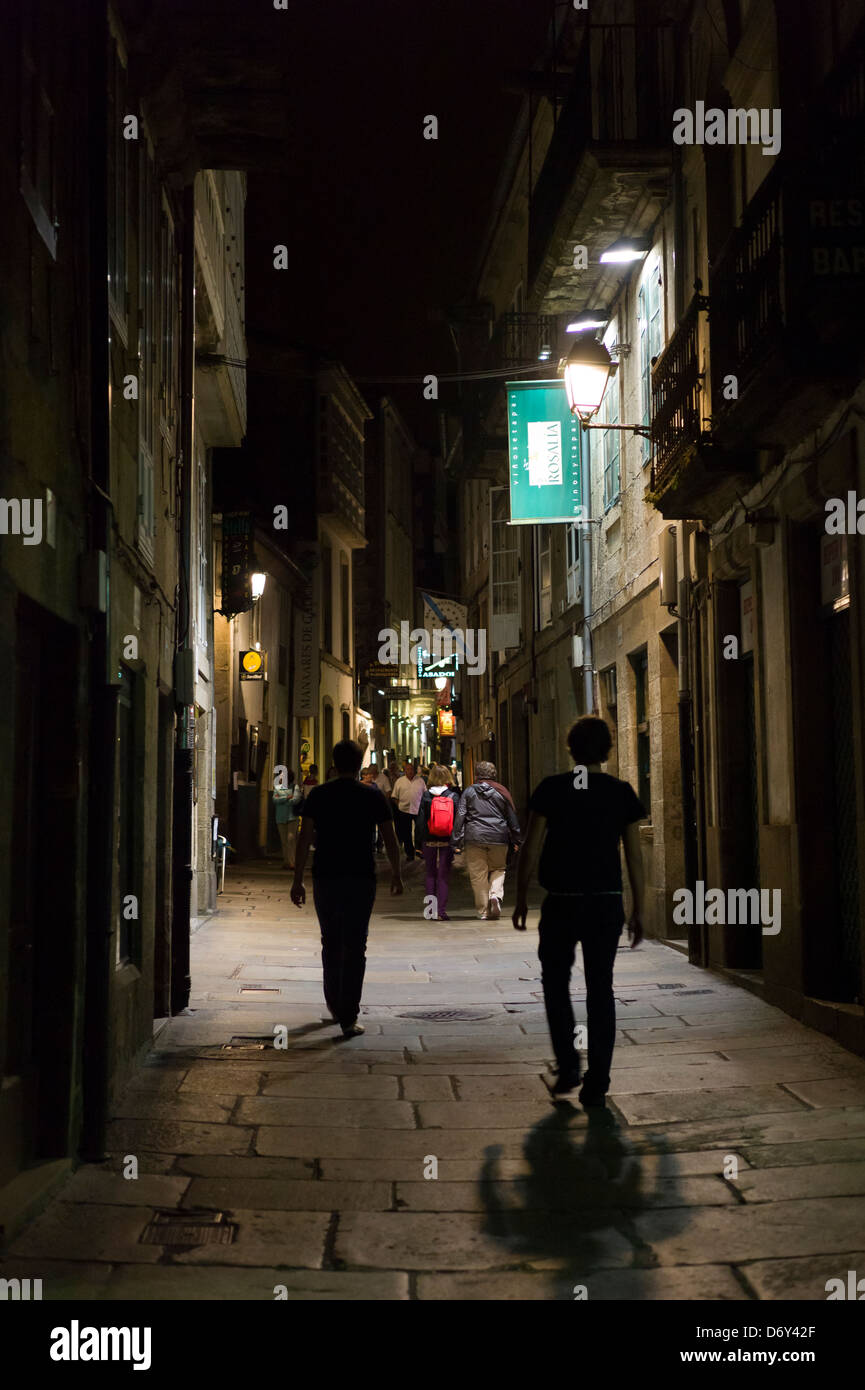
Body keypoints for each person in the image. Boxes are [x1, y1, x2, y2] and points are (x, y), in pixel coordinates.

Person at [513, 716, 646, 1106]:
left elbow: (531, 848)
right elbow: (634, 858)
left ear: (569, 748)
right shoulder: (620, 792)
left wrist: (521, 896)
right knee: (600, 988)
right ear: (607, 751)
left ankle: (569, 1064)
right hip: (605, 902)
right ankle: (598, 1081)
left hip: (562, 903)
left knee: (555, 983)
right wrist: (638, 908)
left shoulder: (552, 789)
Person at [291, 739, 403, 1037]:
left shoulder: (319, 795)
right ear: (359, 764)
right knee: (356, 944)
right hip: (360, 877)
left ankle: (334, 1004)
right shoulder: (373, 796)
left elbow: (304, 838)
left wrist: (297, 878)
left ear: (334, 762)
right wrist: (397, 873)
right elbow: (390, 838)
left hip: (326, 876)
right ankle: (349, 1016)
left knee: (330, 941)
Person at [452, 761, 521, 919]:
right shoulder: (502, 792)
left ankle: (484, 911)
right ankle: (495, 895)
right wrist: (517, 839)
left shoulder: (469, 792)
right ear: (494, 775)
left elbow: (460, 816)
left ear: (476, 775)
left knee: (478, 875)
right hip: (498, 837)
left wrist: (456, 840)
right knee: (499, 868)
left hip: (474, 838)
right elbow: (512, 818)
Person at [416, 764, 461, 921]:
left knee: (430, 874)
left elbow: (420, 821)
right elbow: (458, 821)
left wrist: (418, 843)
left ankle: (430, 911)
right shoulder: (453, 796)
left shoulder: (427, 796)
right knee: (443, 875)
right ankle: (441, 911)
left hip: (429, 840)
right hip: (446, 841)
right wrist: (457, 842)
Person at [391, 761, 425, 862]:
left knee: (420, 830)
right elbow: (394, 796)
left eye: (411, 769)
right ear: (404, 771)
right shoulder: (399, 781)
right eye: (408, 769)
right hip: (404, 810)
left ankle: (419, 850)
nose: (410, 771)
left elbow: (425, 793)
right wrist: (399, 806)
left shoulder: (420, 781)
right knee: (406, 833)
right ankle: (409, 853)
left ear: (414, 770)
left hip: (418, 809)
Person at [273, 769, 303, 869]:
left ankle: (292, 862)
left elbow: (296, 800)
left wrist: (282, 798)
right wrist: (287, 797)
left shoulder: (295, 787)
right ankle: (286, 862)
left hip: (292, 817)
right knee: (284, 841)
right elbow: (274, 799)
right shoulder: (278, 787)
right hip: (280, 817)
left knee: (291, 839)